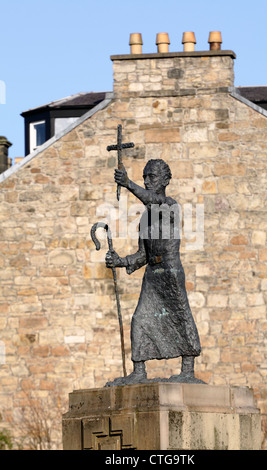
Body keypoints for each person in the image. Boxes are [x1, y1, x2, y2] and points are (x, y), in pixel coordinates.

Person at [105, 159, 202, 385]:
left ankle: (187, 369)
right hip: (152, 272)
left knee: (180, 315)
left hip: (169, 271)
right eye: (144, 177)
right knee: (140, 318)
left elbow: (154, 200)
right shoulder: (146, 218)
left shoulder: (169, 205)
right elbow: (142, 255)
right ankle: (139, 370)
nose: (147, 181)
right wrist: (119, 261)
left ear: (166, 180)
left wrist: (128, 184)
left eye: (152, 177)